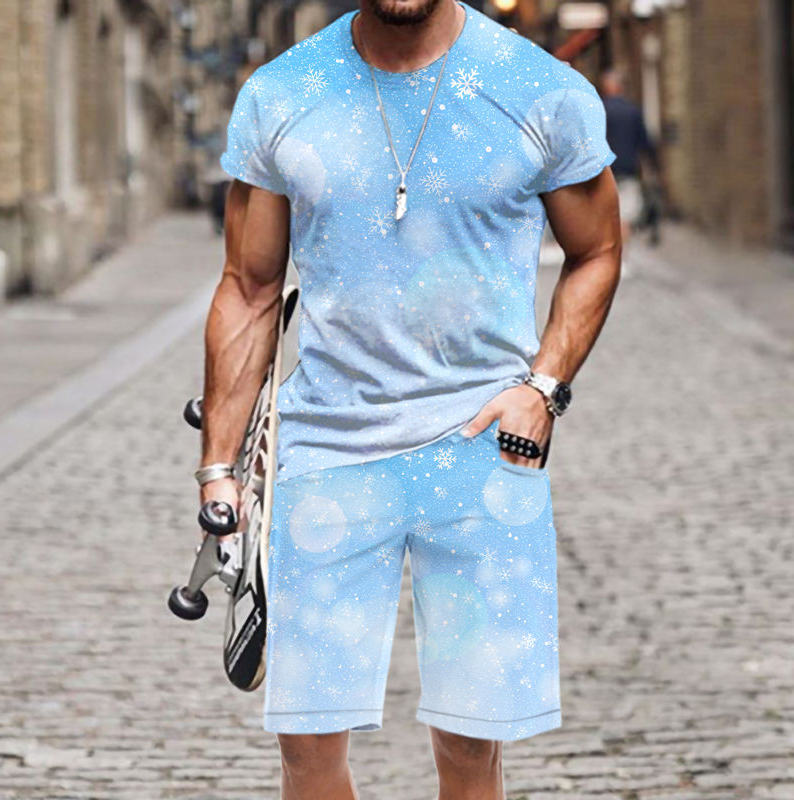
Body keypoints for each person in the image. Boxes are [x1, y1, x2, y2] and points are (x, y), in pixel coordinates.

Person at [198, 1, 621, 797]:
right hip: (327, 453)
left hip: (484, 453)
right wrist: (219, 468)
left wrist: (543, 387)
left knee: (470, 746)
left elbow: (596, 250)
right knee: (306, 744)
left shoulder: (539, 89)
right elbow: (250, 288)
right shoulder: (282, 94)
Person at [600, 66, 660, 274]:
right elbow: (646, 142)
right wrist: (654, 167)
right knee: (624, 216)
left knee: (605, 216)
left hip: (603, 171)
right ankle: (621, 260)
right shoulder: (633, 111)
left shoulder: (598, 109)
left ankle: (606, 259)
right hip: (628, 170)